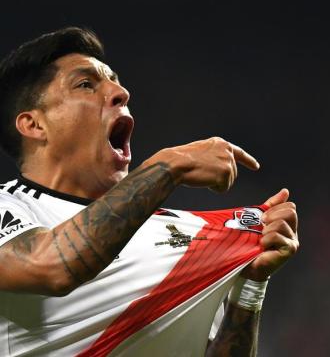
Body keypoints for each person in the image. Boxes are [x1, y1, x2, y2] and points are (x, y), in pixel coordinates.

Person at [0, 27, 299, 357]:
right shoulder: (11, 208)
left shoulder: (188, 242)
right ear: (34, 124)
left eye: (115, 81)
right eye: (86, 84)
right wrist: (168, 166)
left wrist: (250, 288)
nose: (121, 92)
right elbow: (51, 266)